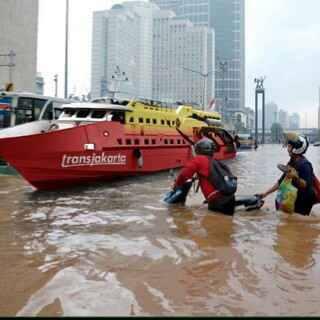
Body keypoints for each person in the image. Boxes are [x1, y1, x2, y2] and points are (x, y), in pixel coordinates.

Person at [170, 138, 263, 216]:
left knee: (212, 231)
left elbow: (183, 175)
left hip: (217, 202)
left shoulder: (198, 160)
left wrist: (176, 186)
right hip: (229, 198)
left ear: (198, 150)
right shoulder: (215, 162)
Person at [258, 133, 316, 216]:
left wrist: (295, 177)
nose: (287, 148)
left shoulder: (305, 165)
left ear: (296, 148)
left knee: (297, 224)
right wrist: (265, 193)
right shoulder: (292, 162)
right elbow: (281, 181)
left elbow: (306, 185)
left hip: (304, 200)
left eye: (289, 146)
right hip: (294, 198)